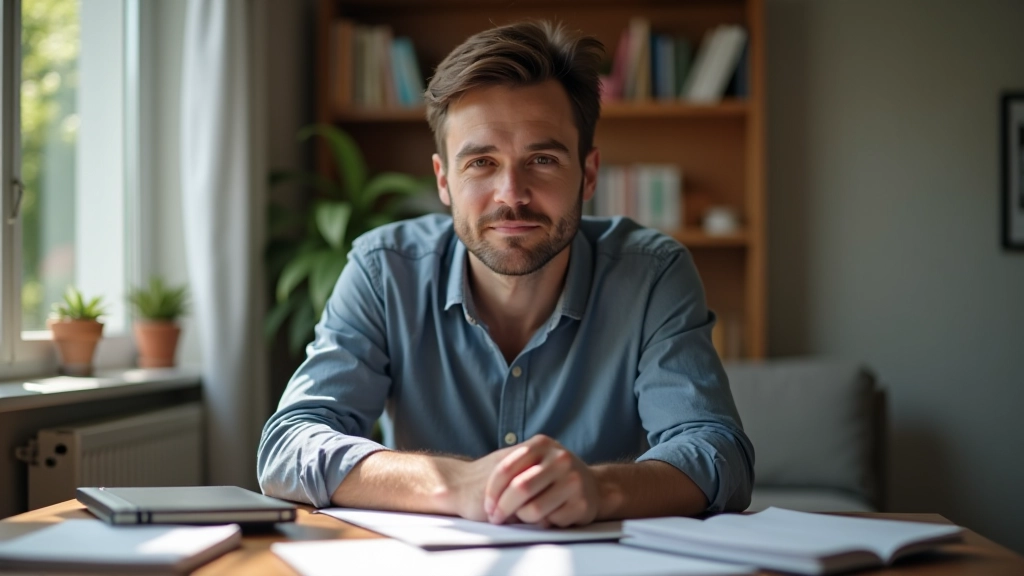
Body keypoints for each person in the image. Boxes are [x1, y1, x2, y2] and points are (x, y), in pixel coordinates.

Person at [257, 20, 754, 527]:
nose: (511, 194)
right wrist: (452, 483)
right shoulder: (384, 269)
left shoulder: (652, 274)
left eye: (542, 159)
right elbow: (289, 444)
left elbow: (720, 453)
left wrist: (600, 489)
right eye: (481, 163)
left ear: (587, 174)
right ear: (444, 180)